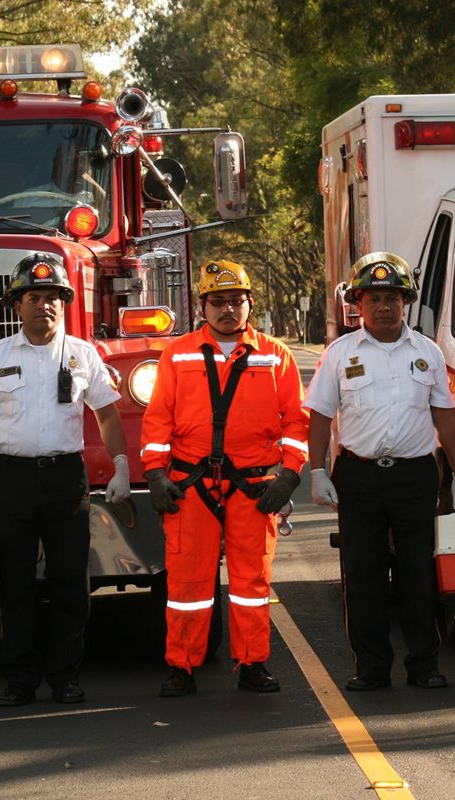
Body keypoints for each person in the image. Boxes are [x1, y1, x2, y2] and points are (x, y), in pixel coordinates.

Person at [0, 252, 131, 706]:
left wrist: (122, 466)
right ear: (17, 305)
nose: (44, 306)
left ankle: (66, 676)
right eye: (34, 297)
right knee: (14, 584)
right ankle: (19, 679)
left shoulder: (83, 355)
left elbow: (107, 416)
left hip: (65, 480)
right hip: (10, 480)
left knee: (71, 582)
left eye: (53, 298)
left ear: (64, 304)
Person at [140, 259, 308, 697]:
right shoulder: (177, 354)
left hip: (253, 487)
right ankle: (182, 666)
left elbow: (297, 421)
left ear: (251, 303)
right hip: (189, 484)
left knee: (252, 583)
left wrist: (289, 476)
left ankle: (253, 663)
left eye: (236, 301)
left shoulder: (275, 354)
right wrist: (156, 477)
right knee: (186, 584)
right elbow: (158, 420)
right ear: (203, 306)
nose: (228, 310)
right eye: (218, 301)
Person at [305, 252, 455, 691]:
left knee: (419, 574)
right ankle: (371, 667)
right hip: (358, 478)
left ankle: (424, 665)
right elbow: (320, 416)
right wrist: (317, 471)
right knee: (364, 577)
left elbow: (445, 416)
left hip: (416, 476)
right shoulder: (339, 354)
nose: (383, 307)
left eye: (392, 298)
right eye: (373, 298)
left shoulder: (428, 352)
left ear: (405, 303)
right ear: (358, 304)